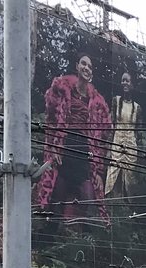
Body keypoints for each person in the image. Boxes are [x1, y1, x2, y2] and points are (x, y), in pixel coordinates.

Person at [34, 52, 112, 222]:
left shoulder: (98, 102)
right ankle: (49, 235)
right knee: (57, 193)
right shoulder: (62, 90)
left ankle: (86, 240)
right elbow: (52, 121)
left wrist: (98, 171)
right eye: (84, 64)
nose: (87, 68)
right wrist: (55, 148)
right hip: (65, 149)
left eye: (90, 67)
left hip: (84, 153)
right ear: (77, 66)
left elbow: (103, 136)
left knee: (89, 198)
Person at [104, 69, 141, 201]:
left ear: (132, 85)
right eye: (123, 80)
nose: (125, 83)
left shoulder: (137, 108)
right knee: (113, 172)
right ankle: (110, 203)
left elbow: (138, 132)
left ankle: (128, 208)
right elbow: (112, 125)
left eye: (127, 80)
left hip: (131, 146)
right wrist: (109, 148)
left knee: (130, 178)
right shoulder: (116, 101)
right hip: (117, 143)